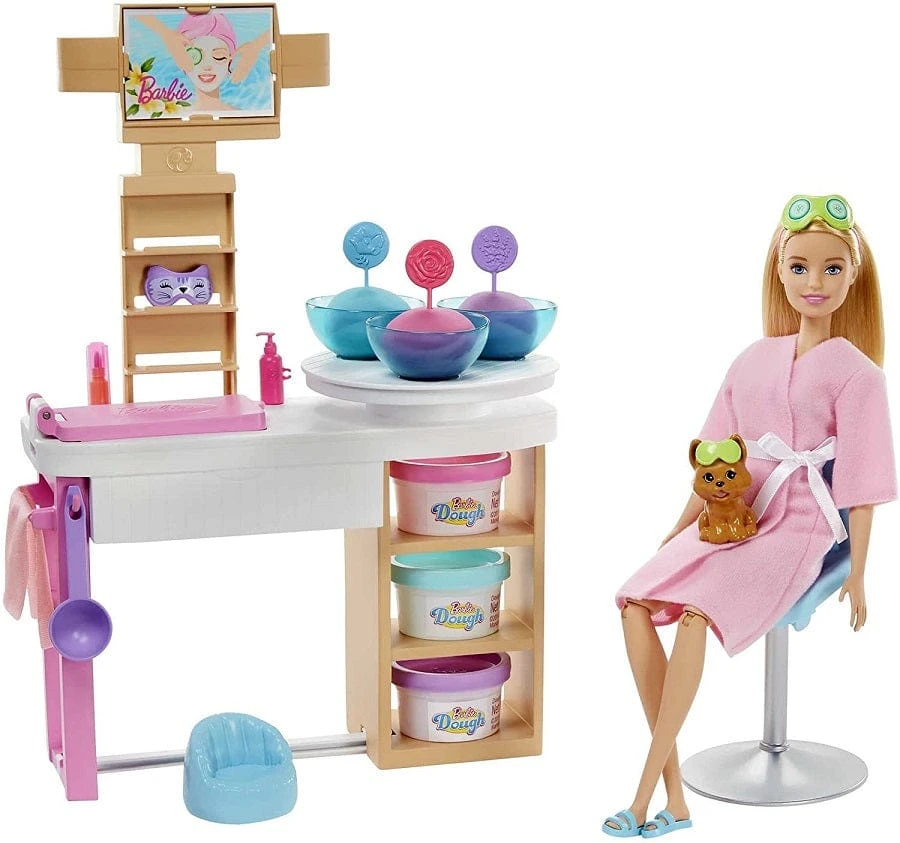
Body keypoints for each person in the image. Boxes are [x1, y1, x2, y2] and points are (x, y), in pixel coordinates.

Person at [602, 195, 897, 838]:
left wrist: (859, 571)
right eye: (799, 267)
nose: (814, 282)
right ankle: (675, 798)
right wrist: (677, 528)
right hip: (732, 513)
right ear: (778, 272)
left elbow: (864, 484)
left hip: (802, 526)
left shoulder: (860, 375)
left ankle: (643, 797)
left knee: (695, 616)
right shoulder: (753, 358)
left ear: (853, 276)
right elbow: (714, 454)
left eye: (831, 268)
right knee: (633, 602)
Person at [135, 11, 270, 113]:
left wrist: (258, 45)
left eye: (219, 57)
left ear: (231, 62)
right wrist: (165, 33)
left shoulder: (246, 114)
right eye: (195, 57)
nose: (207, 66)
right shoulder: (170, 113)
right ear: (180, 57)